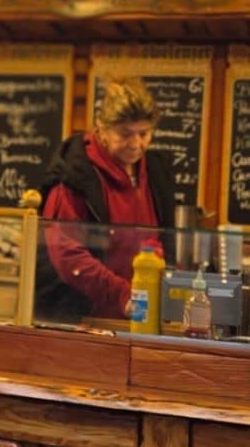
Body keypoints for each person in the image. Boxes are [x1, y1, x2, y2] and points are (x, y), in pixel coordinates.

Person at [34, 76, 176, 323]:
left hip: (138, 313)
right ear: (101, 128)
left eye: (144, 133)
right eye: (125, 134)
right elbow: (67, 254)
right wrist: (122, 295)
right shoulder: (75, 174)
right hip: (81, 320)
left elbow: (159, 239)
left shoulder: (155, 171)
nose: (136, 144)